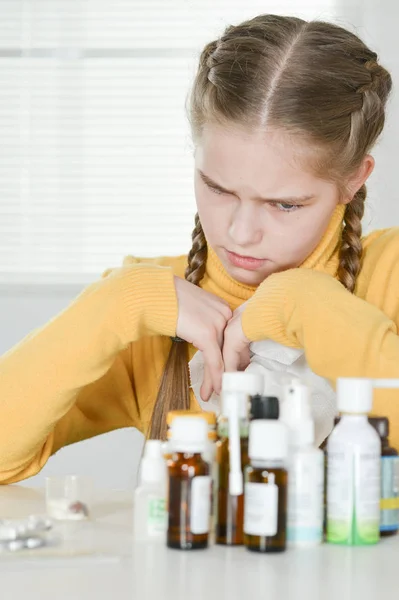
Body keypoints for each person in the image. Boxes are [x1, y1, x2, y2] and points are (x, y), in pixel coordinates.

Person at [0, 14, 398, 484]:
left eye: (285, 205)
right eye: (218, 188)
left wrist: (305, 305)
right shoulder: (155, 308)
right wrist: (116, 304)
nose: (241, 232)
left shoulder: (387, 275)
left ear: (354, 179)